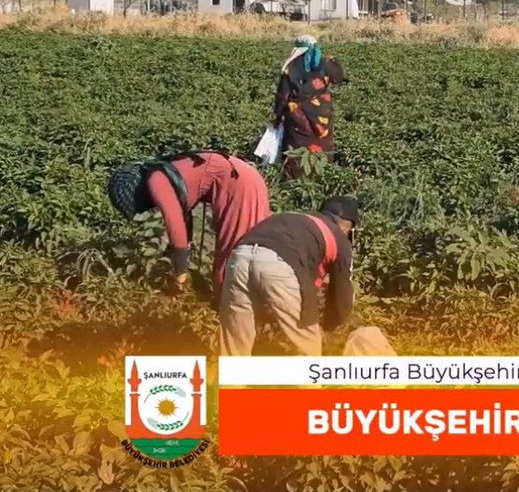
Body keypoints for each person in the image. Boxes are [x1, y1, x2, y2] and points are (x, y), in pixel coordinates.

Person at [106, 151, 271, 299]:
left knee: (233, 259)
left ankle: (227, 312)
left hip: (238, 186)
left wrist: (180, 277)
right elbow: (184, 221)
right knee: (254, 254)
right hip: (247, 177)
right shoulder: (166, 170)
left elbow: (175, 226)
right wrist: (181, 257)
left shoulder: (156, 180)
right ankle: (259, 307)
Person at [219, 196, 359, 356]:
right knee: (307, 340)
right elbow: (342, 294)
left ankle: (229, 381)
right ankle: (309, 381)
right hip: (280, 261)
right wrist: (331, 325)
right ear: (348, 226)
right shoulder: (339, 238)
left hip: (239, 256)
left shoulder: (299, 220)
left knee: (236, 336)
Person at [274, 35, 346, 180]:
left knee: (298, 149)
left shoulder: (290, 67)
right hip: (322, 115)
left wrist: (276, 117)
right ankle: (321, 176)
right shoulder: (325, 64)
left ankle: (296, 181)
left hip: (298, 118)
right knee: (322, 146)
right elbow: (339, 77)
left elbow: (283, 97)